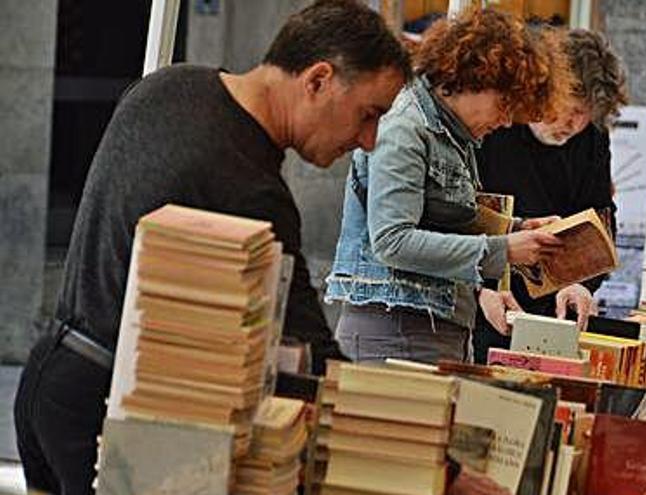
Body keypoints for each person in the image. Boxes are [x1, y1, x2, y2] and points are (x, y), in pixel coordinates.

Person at [14, 1, 410, 493]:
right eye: (368, 115)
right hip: (110, 413)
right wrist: (430, 454)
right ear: (317, 80)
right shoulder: (249, 188)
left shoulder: (171, 84)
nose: (369, 140)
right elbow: (308, 357)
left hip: (48, 380)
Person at [324, 8, 572, 364]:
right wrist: (504, 249)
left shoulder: (455, 135)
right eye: (504, 105)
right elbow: (393, 241)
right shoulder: (405, 126)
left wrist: (516, 230)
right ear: (473, 77)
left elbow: (444, 218)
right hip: (395, 333)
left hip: (437, 327)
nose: (504, 122)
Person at [472, 29, 627, 363]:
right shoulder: (495, 124)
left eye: (582, 115)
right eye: (565, 108)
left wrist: (584, 284)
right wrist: (479, 288)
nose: (569, 124)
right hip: (480, 295)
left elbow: (598, 215)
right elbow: (458, 215)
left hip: (553, 305)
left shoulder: (592, 141)